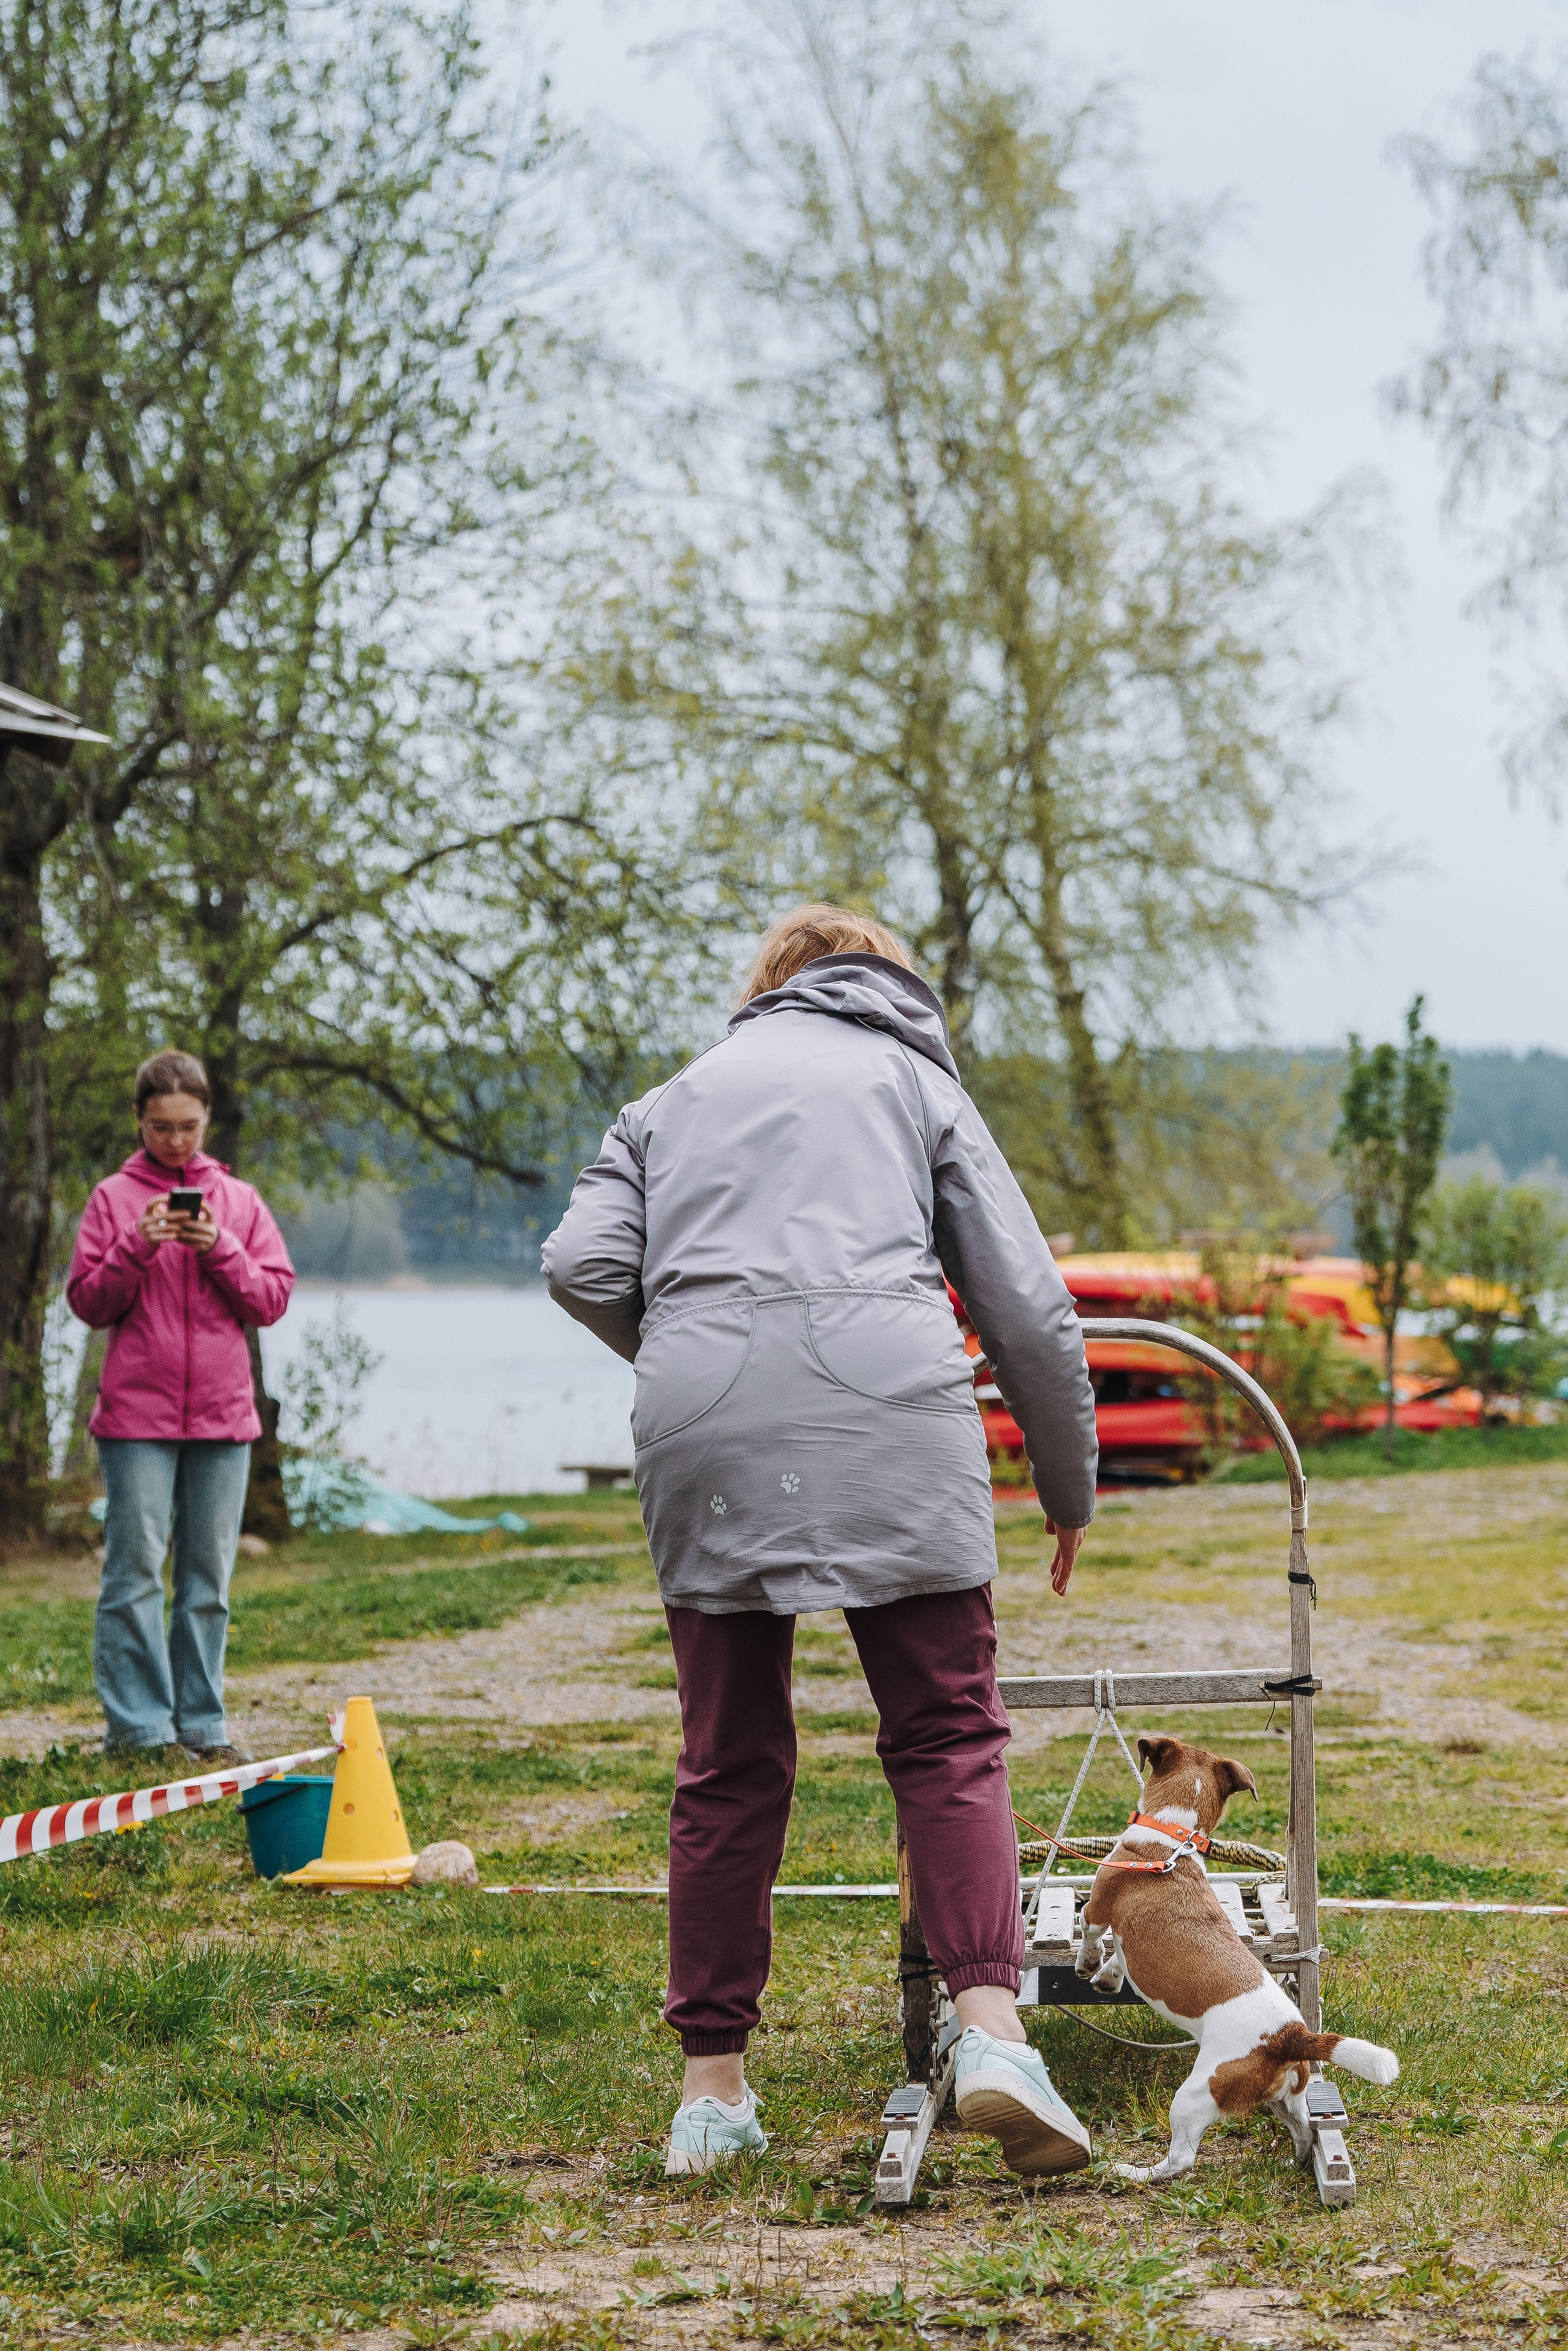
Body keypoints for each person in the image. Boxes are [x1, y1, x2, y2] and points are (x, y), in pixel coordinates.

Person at [543, 905, 1099, 2179]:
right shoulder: (913, 1085)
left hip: (704, 1422)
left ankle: (711, 2093)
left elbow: (580, 1263)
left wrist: (689, 1347)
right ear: (887, 986)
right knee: (947, 1729)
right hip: (890, 1405)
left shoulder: (667, 1100)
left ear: (765, 989)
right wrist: (1065, 1482)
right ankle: (992, 2035)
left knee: (725, 1757)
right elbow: (1024, 1301)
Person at [66, 1049, 295, 1764]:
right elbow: (88, 1302)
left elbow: (271, 1299)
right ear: (139, 1120)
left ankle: (201, 1724)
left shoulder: (239, 1202)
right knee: (133, 1569)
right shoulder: (111, 1200)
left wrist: (220, 1248)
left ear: (206, 1119)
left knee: (208, 1576)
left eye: (189, 1126)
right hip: (137, 1418)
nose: (176, 1141)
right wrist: (135, 1248)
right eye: (161, 1127)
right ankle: (139, 1730)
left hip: (223, 1417)